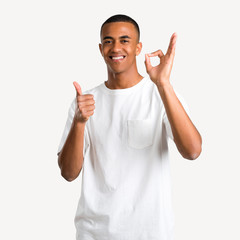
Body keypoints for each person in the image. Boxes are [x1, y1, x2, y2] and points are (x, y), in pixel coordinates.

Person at [57, 14, 202, 240]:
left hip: (150, 233)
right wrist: (79, 123)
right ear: (100, 48)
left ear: (137, 48)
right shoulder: (85, 103)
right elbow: (68, 173)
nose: (116, 47)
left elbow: (193, 151)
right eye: (108, 41)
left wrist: (164, 84)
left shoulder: (160, 94)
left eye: (124, 40)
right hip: (93, 234)